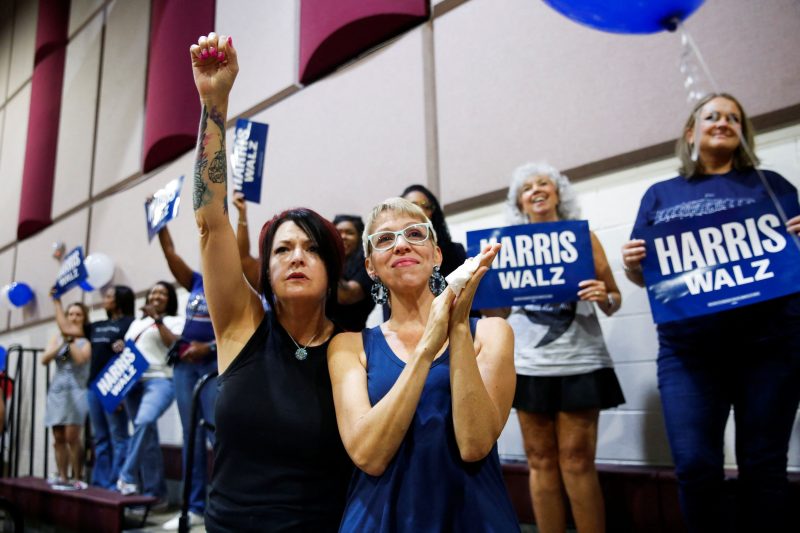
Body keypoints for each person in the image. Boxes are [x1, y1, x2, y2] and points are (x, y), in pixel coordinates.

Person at [189, 32, 353, 531]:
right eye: (282, 249)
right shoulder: (241, 324)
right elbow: (210, 220)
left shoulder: (355, 351)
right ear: (265, 268)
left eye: (310, 249)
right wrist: (214, 104)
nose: (296, 258)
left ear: (331, 270)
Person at [621, 93, 800, 533]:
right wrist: (631, 265)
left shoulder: (772, 185)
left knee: (764, 466)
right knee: (696, 466)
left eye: (733, 117)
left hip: (771, 348)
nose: (723, 122)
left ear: (743, 131)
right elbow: (651, 278)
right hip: (690, 355)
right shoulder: (660, 194)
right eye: (712, 116)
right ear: (691, 132)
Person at [328, 197, 519, 531]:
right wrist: (427, 347)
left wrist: (457, 326)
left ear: (437, 254)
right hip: (381, 517)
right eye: (385, 239)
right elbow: (368, 455)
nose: (401, 245)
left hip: (472, 515)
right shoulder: (348, 346)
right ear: (370, 266)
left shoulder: (491, 332)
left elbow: (475, 444)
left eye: (415, 234)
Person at [501, 162, 625, 533]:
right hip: (529, 365)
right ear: (519, 202)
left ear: (558, 194)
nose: (536, 190)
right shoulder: (506, 245)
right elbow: (496, 311)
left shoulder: (583, 238)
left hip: (580, 361)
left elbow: (614, 298)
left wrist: (606, 295)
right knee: (539, 459)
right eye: (527, 187)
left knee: (576, 460)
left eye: (544, 184)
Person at [153, 224, 218, 530]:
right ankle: (194, 507)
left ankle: (221, 505)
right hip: (184, 367)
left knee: (217, 435)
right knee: (191, 434)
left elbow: (243, 330)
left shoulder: (235, 284)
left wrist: (210, 348)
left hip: (213, 365)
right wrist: (161, 222)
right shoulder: (196, 281)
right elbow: (169, 253)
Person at [54, 285, 135, 490]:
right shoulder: (97, 326)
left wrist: (121, 392)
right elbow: (67, 330)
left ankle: (118, 482)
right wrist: (56, 301)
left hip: (114, 386)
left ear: (119, 299)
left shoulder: (130, 324)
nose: (104, 298)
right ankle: (100, 483)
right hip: (93, 387)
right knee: (100, 438)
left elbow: (134, 353)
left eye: (109, 295)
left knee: (119, 437)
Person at [116, 281, 183, 505]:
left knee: (144, 422)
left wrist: (158, 319)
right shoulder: (136, 323)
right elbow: (131, 349)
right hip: (132, 382)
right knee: (148, 438)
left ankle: (126, 476)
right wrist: (121, 346)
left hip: (160, 380)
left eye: (163, 293)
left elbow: (171, 344)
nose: (156, 295)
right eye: (153, 291)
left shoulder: (175, 321)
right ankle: (156, 494)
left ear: (170, 299)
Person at [41, 302, 91, 488]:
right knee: (58, 437)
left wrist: (71, 341)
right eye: (70, 314)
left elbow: (79, 360)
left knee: (72, 436)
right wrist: (62, 342)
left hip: (77, 390)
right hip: (58, 391)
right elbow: (46, 359)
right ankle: (62, 477)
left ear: (84, 318)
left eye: (78, 314)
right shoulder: (59, 339)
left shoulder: (86, 341)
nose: (73, 318)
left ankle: (77, 476)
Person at [401, 184, 466, 277]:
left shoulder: (454, 252)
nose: (420, 210)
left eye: (425, 206)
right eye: (413, 205)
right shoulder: (393, 251)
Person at [327, 214, 374, 331]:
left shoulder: (368, 264)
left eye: (349, 233)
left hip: (353, 335)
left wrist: (324, 265)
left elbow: (347, 296)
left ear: (359, 237)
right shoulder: (330, 260)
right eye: (338, 232)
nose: (343, 236)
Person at [231, 191, 260, 290]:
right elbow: (244, 257)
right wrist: (242, 213)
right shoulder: (268, 280)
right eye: (283, 249)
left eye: (310, 249)